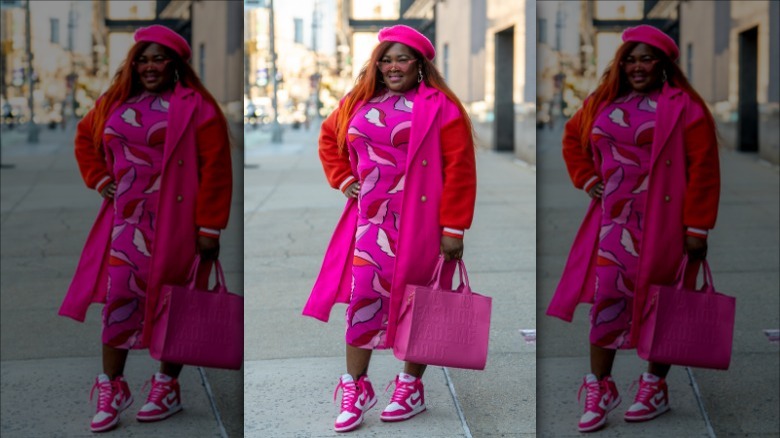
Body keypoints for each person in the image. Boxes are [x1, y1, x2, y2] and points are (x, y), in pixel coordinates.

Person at [302, 25, 477, 432]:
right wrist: (345, 180)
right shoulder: (358, 101)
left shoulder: (441, 106)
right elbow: (329, 139)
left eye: (402, 58)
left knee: (421, 302)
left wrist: (454, 228)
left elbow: (460, 170)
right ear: (376, 65)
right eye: (385, 59)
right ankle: (355, 386)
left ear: (419, 65)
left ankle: (410, 386)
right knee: (363, 296)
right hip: (370, 221)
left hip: (422, 223)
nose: (392, 66)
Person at [546, 25, 720, 433]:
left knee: (665, 303)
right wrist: (588, 179)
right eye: (630, 59)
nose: (637, 66)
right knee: (607, 298)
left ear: (663, 65)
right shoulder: (603, 101)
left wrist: (698, 228)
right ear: (620, 64)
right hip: (613, 222)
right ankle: (599, 386)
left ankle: (653, 386)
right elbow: (573, 138)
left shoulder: (684, 107)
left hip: (666, 223)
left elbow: (705, 170)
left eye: (646, 59)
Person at [58, 25, 232, 433]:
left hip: (179, 223)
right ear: (132, 64)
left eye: (158, 59)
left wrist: (210, 228)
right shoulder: (115, 101)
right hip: (126, 222)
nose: (149, 66)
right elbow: (85, 138)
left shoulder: (196, 107)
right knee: (119, 298)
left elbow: (217, 170)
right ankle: (111, 386)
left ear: (175, 64)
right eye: (142, 59)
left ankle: (166, 386)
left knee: (177, 303)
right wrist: (100, 179)